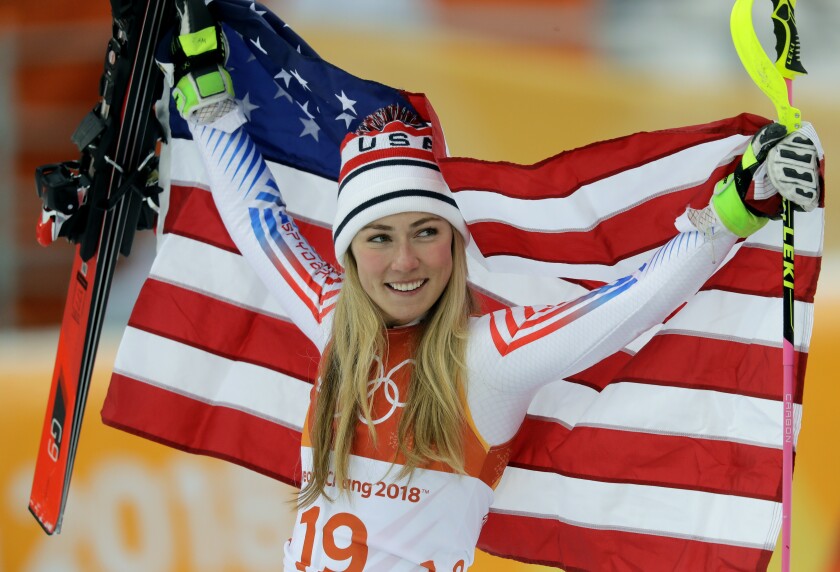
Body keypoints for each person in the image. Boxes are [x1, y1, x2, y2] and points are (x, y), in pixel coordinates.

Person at [166, 2, 822, 570]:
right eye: (379, 238)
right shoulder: (333, 318)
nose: (403, 262)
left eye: (426, 232)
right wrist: (206, 96)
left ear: (454, 245)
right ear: (351, 253)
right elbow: (261, 226)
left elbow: (634, 300)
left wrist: (744, 200)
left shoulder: (491, 356)